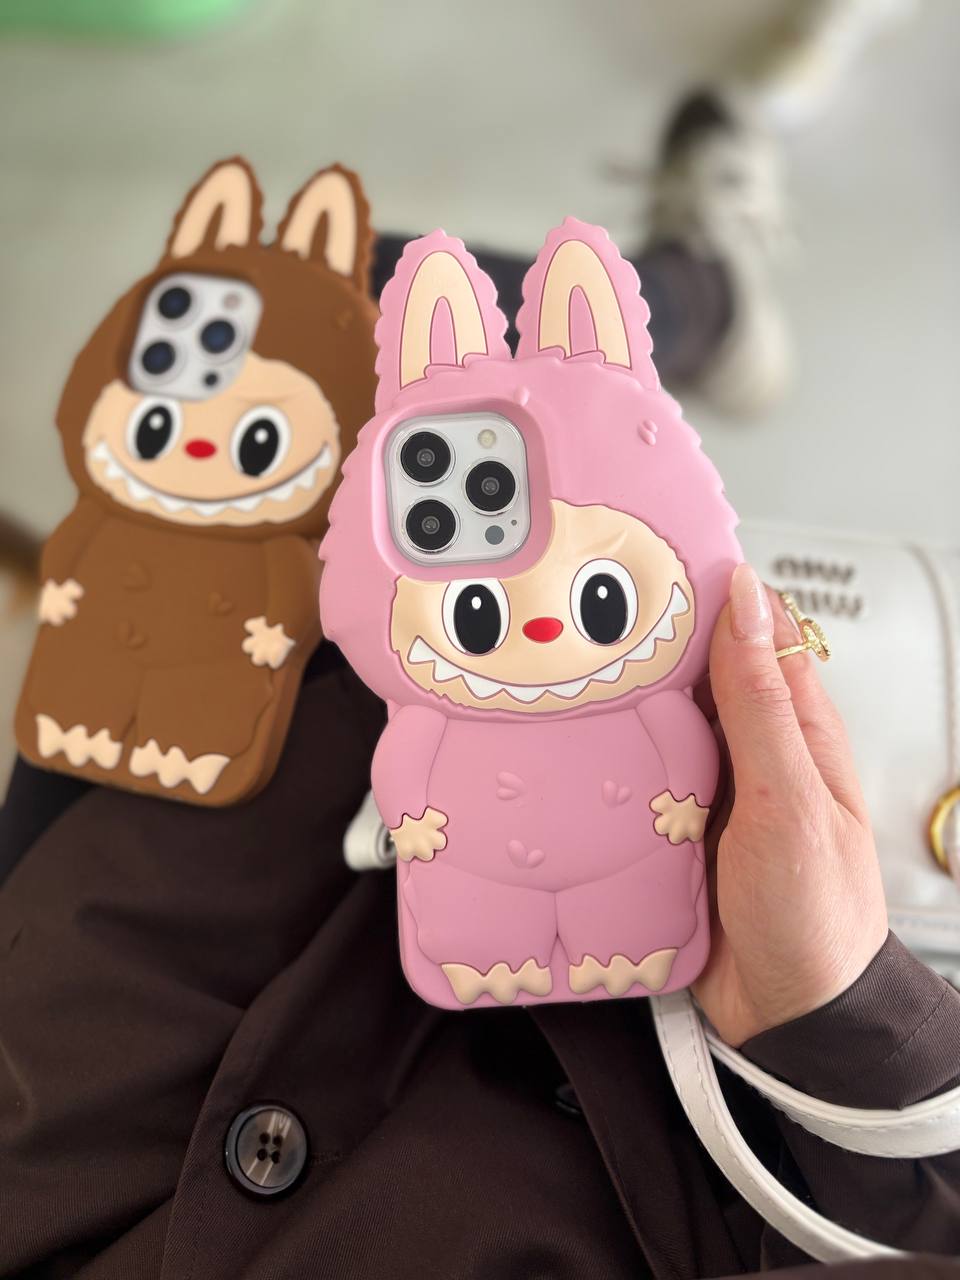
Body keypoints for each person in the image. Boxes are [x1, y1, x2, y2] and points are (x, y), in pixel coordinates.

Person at [1, 103, 958, 1279]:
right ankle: (701, 291)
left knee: (339, 301)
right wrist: (837, 1015)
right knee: (388, 324)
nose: (552, 620)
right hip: (637, 1094)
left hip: (98, 1077)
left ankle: (692, 297)